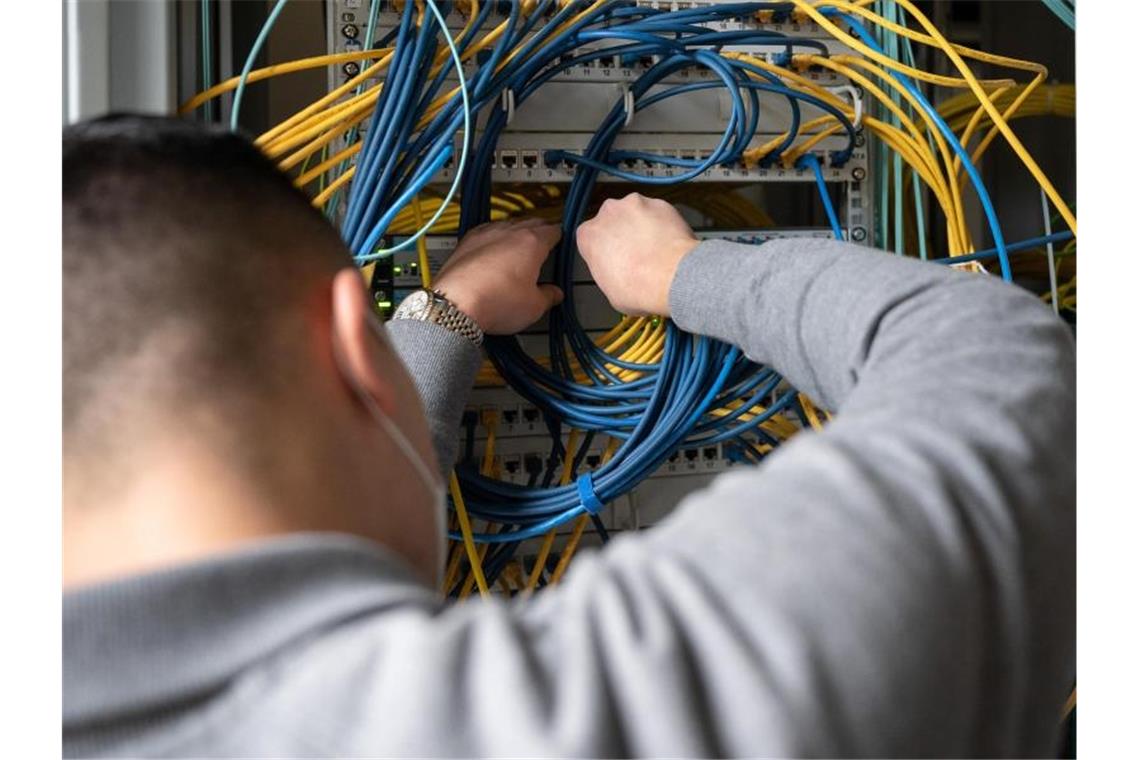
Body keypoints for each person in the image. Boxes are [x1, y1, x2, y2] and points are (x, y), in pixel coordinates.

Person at [63, 115, 1075, 758]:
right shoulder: (588, 712)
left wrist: (445, 318)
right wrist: (683, 273)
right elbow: (1005, 372)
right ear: (350, 348)